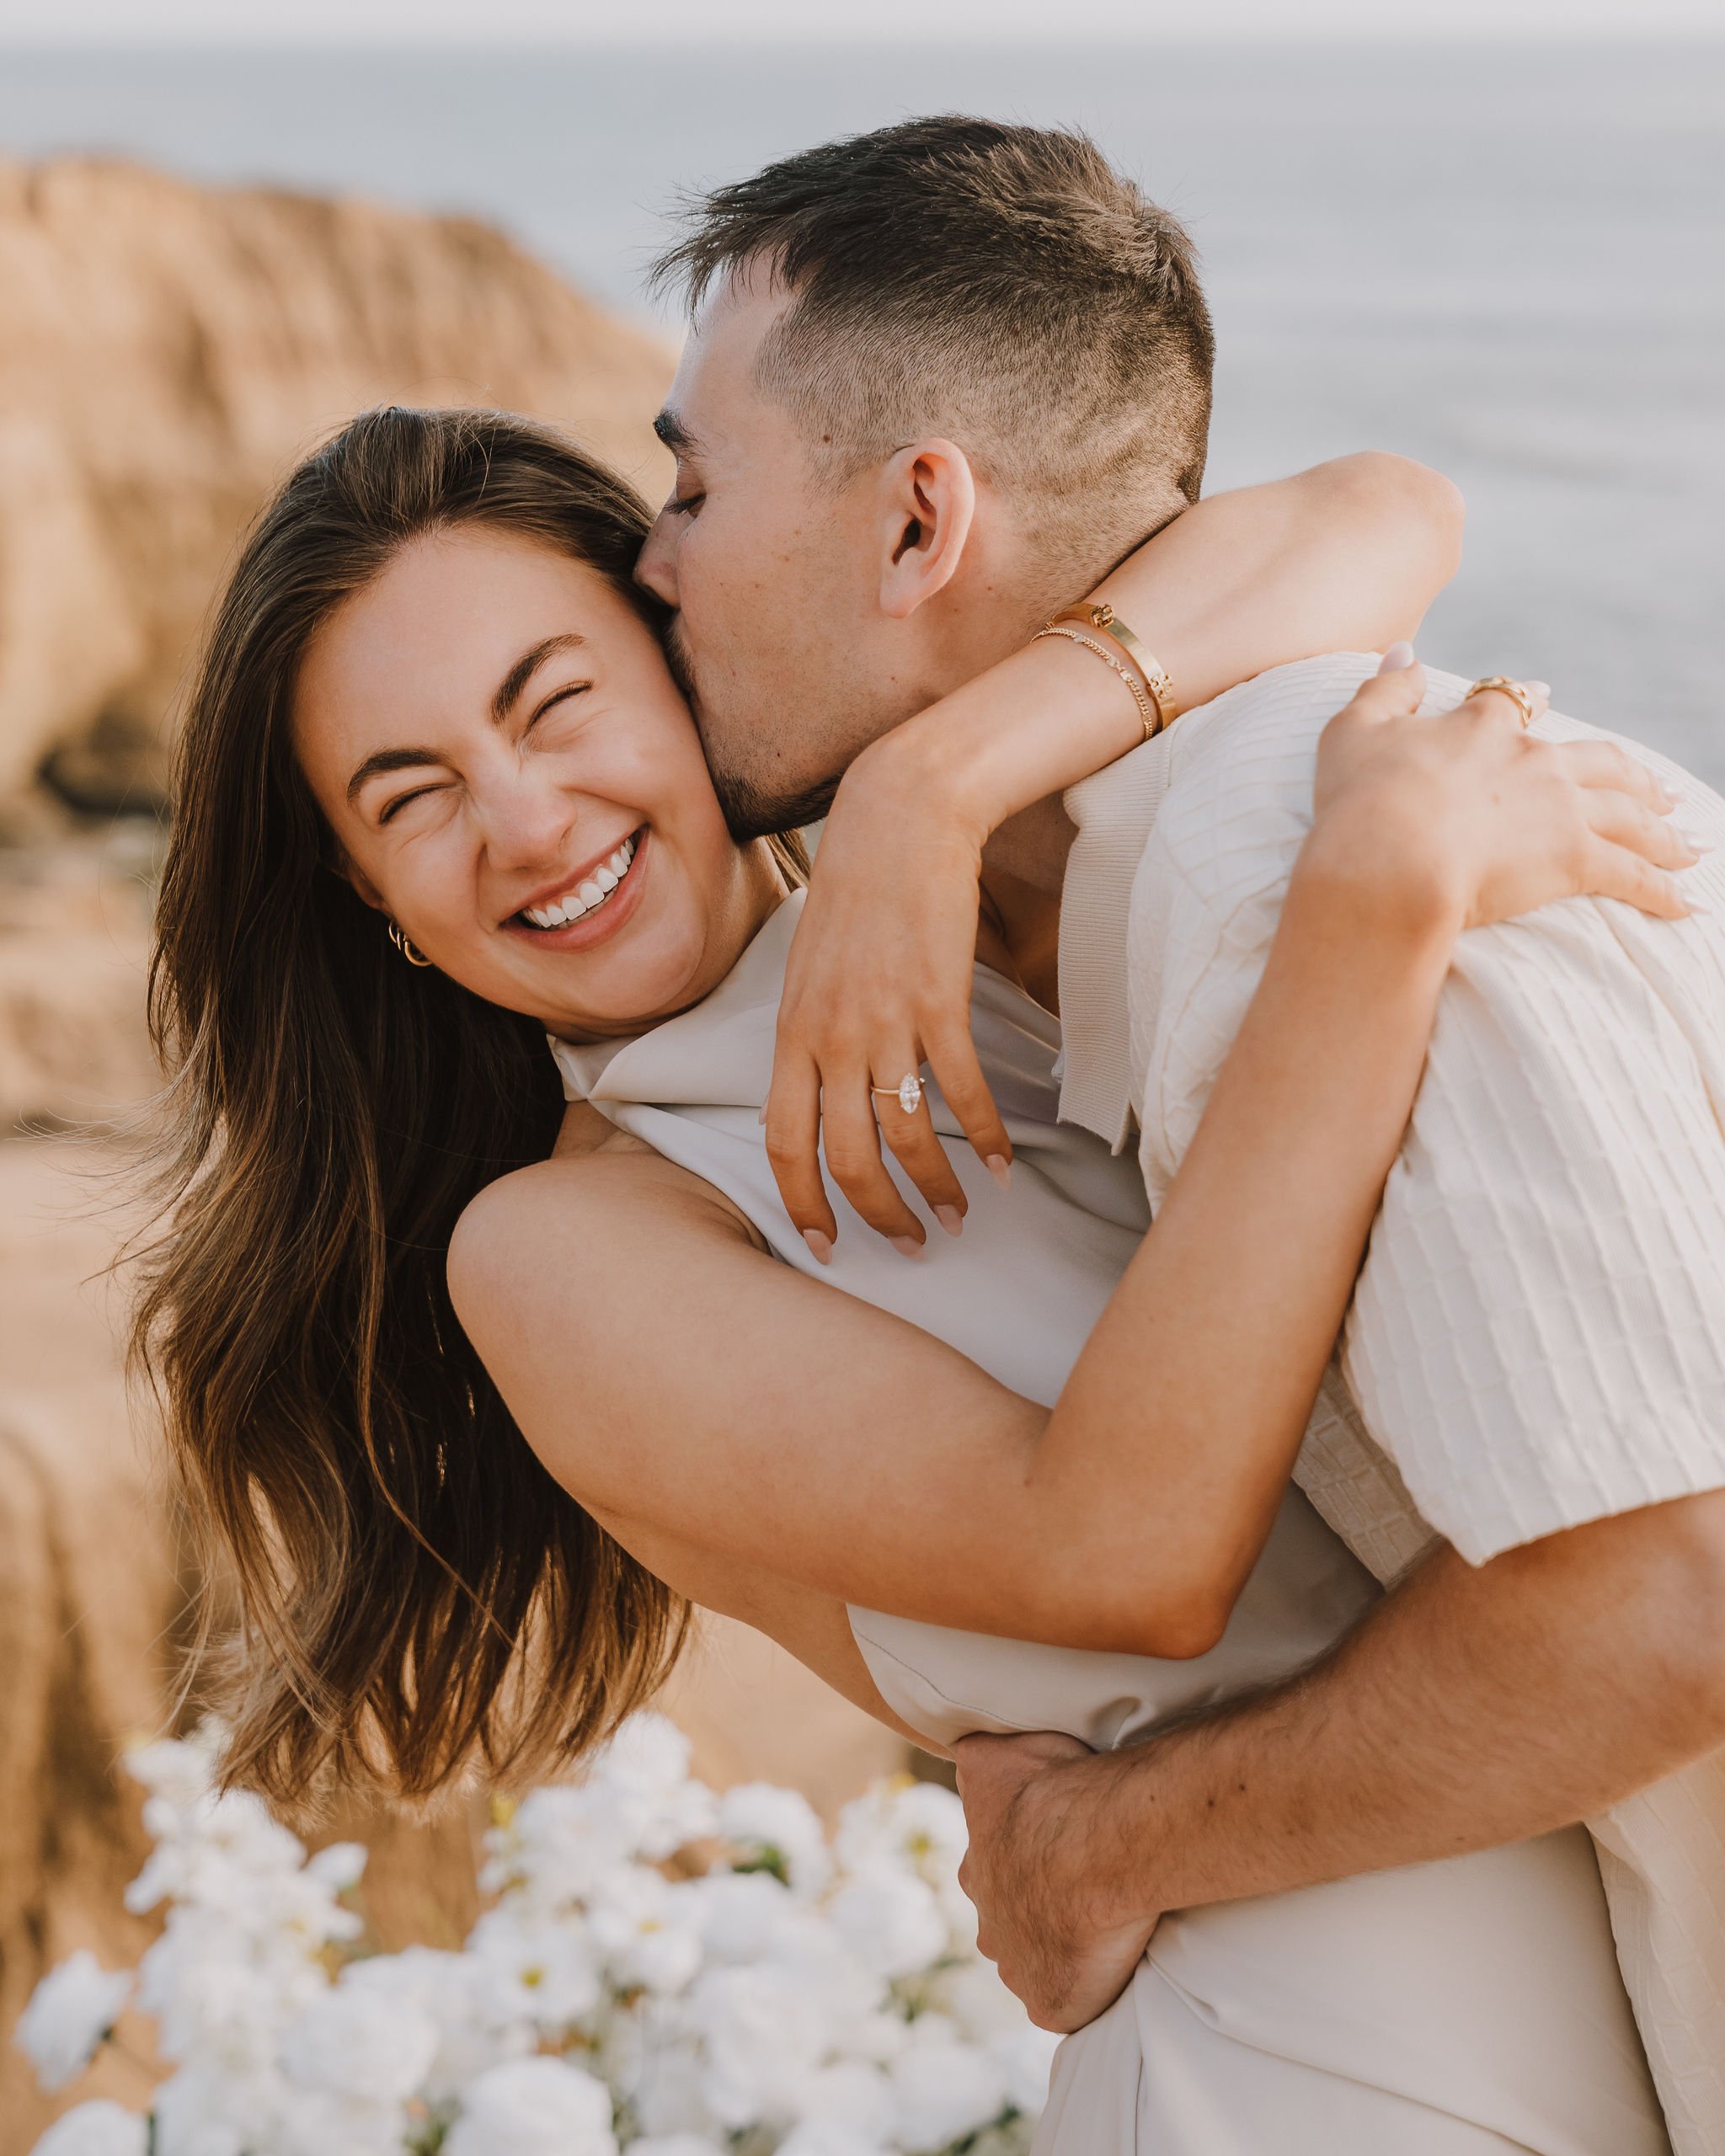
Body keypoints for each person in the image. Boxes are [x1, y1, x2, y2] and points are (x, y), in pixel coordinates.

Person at [140, 396, 1682, 2154]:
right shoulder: (562, 1252)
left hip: (1597, 1937)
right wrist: (1375, 896)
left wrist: (929, 778)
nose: (525, 818)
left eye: (554, 702)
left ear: (678, 652)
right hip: (1302, 2057)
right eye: (412, 799)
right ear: (375, 902)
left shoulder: (971, 892)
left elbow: (1380, 504)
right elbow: (1126, 1551)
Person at [549, 115, 1725, 2153]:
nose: (652, 561)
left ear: (921, 526)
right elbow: (1372, 501)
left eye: (692, 482)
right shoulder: (1070, 917)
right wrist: (931, 785)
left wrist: (1107, 1841)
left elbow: (1665, 1595)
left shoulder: (1300, 852)